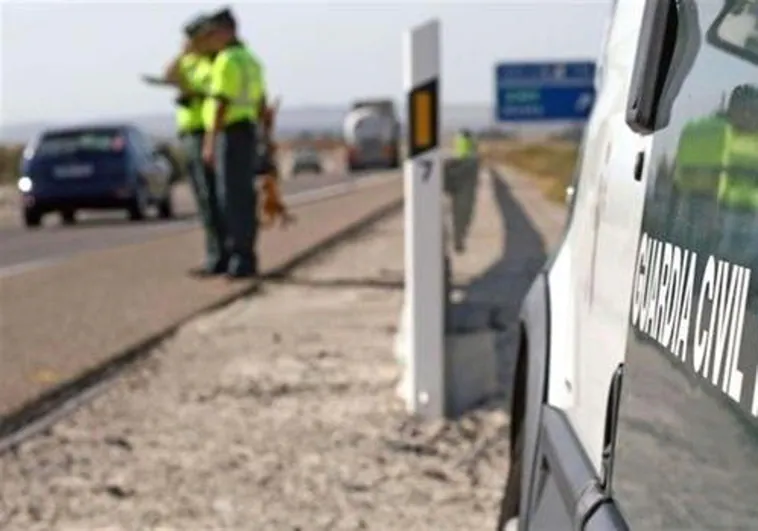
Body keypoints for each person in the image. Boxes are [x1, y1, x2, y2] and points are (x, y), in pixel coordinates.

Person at [202, 8, 267, 279]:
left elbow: (221, 103)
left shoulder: (227, 60)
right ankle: (246, 254)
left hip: (231, 133)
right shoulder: (251, 59)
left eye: (214, 33)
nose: (211, 39)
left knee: (230, 198)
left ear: (226, 31)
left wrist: (209, 142)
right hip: (248, 131)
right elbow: (262, 101)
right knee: (244, 196)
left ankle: (239, 257)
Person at [162, 14, 227, 277]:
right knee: (203, 198)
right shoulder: (190, 61)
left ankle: (221, 255)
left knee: (213, 197)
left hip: (206, 132)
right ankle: (216, 253)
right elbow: (169, 75)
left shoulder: (212, 62)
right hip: (189, 132)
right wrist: (182, 53)